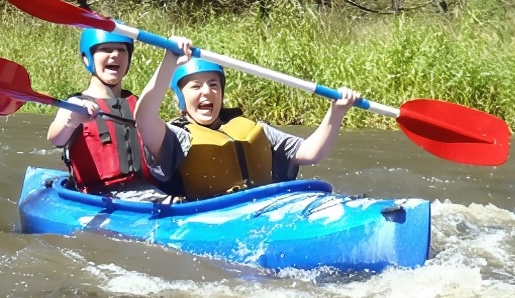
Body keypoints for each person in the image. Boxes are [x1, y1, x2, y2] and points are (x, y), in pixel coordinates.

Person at [133, 39, 361, 201]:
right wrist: (170, 60)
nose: (207, 92)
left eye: (214, 85)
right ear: (180, 98)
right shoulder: (176, 137)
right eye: (195, 86)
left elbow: (311, 154)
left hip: (266, 208)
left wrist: (336, 112)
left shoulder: (253, 128)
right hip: (210, 219)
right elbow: (143, 118)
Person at [47, 29, 169, 200]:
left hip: (148, 193)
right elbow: (55, 138)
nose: (115, 55)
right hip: (97, 198)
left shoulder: (139, 104)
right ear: (87, 58)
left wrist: (172, 58)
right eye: (106, 49)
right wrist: (72, 119)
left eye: (122, 50)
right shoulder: (75, 105)